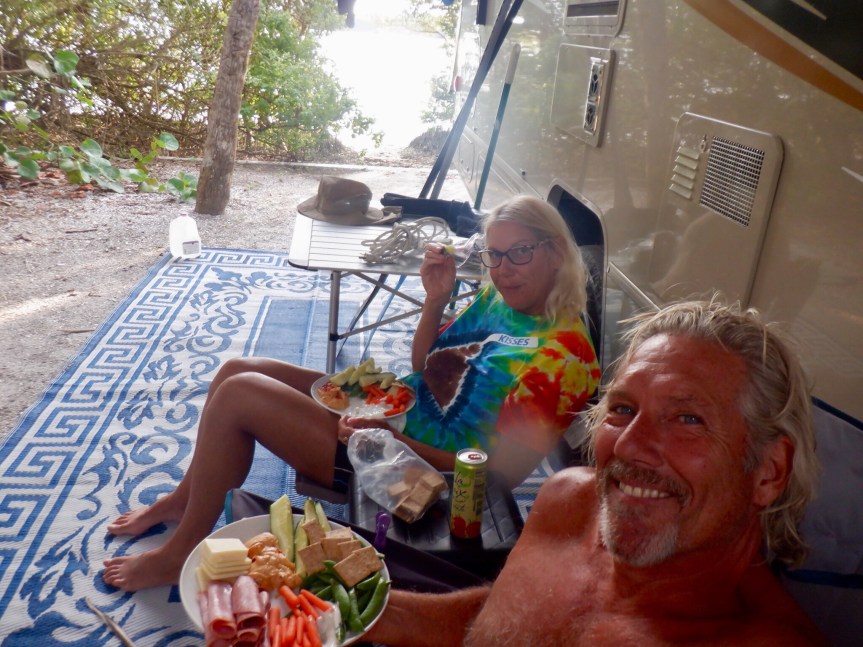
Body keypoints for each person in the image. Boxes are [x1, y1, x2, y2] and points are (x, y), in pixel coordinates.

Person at [101, 194, 601, 591]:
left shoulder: (565, 359)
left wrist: (390, 438)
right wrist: (436, 299)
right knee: (238, 367)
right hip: (393, 410)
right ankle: (182, 500)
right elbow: (426, 368)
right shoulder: (501, 295)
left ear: (556, 252)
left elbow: (498, 477)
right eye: (495, 254)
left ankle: (180, 553)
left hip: (414, 473)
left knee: (240, 395)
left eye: (520, 252)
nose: (504, 268)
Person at [363, 299, 829, 646]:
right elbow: (510, 612)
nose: (628, 445)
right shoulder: (569, 501)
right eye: (622, 408)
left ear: (769, 472)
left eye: (688, 419)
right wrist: (367, 614)